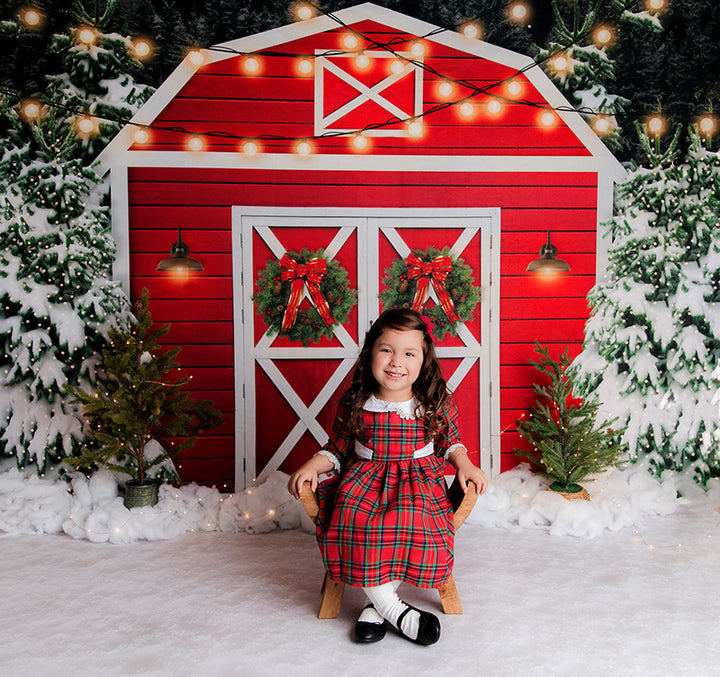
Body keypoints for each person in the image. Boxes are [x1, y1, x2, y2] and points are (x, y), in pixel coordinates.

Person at [288, 308, 488, 646]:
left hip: (418, 483)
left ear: (423, 360)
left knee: (410, 521)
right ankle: (394, 610)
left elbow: (450, 442)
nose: (396, 362)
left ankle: (376, 608)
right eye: (387, 350)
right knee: (357, 522)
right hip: (364, 482)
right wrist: (313, 464)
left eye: (409, 353)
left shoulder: (432, 403)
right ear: (370, 355)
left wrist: (464, 462)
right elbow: (336, 449)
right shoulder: (356, 402)